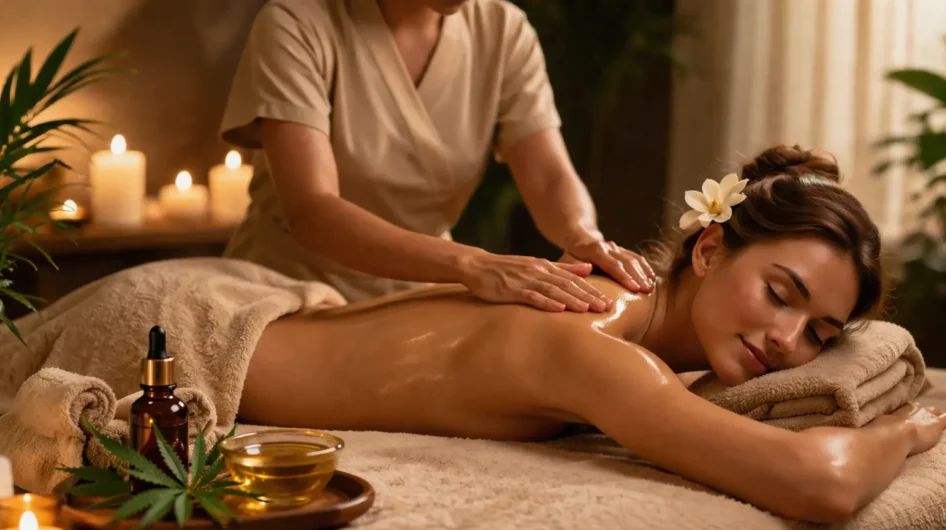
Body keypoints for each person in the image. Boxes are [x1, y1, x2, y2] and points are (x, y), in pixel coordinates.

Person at [240, 146, 946, 523]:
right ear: (708, 251)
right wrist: (904, 433)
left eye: (820, 335)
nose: (786, 340)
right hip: (219, 343)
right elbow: (819, 483)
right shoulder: (593, 344)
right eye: (779, 294)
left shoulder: (631, 317)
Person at [218, 0, 656, 312]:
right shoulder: (296, 23)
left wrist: (584, 238)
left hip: (422, 300)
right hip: (288, 296)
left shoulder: (502, 29)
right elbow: (313, 210)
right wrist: (473, 264)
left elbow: (548, 177)